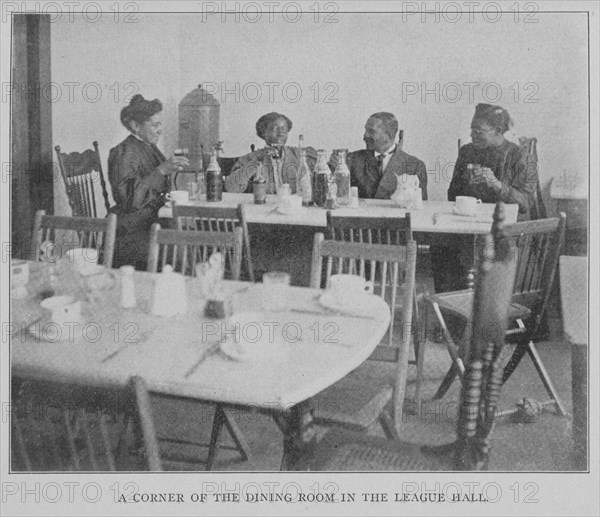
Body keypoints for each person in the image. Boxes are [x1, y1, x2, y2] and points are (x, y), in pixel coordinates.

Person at [431, 103, 544, 293]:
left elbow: (526, 202)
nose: (472, 135)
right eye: (471, 129)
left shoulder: (520, 155)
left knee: (477, 253)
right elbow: (452, 193)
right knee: (439, 246)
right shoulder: (467, 152)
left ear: (498, 130)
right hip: (470, 227)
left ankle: (484, 303)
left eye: (478, 130)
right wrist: (468, 187)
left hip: (504, 232)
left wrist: (497, 185)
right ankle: (452, 302)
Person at [108, 94, 189, 269]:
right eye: (155, 125)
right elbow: (129, 200)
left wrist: (169, 166)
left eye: (160, 124)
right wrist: (162, 170)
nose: (160, 130)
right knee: (186, 243)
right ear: (136, 126)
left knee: (189, 234)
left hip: (150, 221)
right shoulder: (123, 152)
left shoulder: (148, 146)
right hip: (132, 231)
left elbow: (153, 179)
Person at [341, 112, 428, 200]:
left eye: (371, 131)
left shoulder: (415, 166)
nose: (365, 135)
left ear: (388, 136)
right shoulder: (350, 160)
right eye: (365, 130)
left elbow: (420, 207)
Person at [224, 112, 317, 194]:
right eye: (274, 129)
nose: (281, 134)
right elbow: (231, 188)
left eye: (284, 130)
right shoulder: (250, 158)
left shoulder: (299, 155)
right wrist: (255, 163)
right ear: (263, 132)